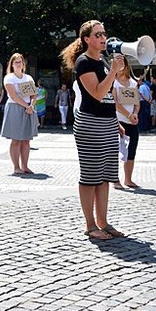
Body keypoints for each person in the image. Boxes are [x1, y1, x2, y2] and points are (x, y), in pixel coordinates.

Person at [63, 20, 125, 241]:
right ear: (87, 39)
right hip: (90, 122)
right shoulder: (84, 62)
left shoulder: (104, 62)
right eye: (97, 34)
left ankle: (103, 221)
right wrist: (114, 72)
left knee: (106, 176)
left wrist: (115, 121)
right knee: (91, 176)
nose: (102, 37)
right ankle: (90, 225)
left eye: (103, 33)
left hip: (106, 122)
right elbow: (97, 93)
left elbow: (108, 96)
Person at [1, 53, 38, 175]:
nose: (18, 64)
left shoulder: (28, 78)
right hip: (15, 107)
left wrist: (31, 105)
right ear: (12, 64)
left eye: (20, 62)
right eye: (16, 62)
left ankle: (25, 166)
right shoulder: (9, 78)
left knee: (26, 139)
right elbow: (13, 95)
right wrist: (26, 105)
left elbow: (34, 94)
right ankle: (16, 167)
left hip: (28, 108)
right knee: (16, 139)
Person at [113, 61, 140, 188]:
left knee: (131, 150)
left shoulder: (133, 83)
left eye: (122, 64)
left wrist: (134, 114)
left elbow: (136, 103)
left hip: (132, 121)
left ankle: (128, 179)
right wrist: (128, 115)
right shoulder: (113, 82)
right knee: (116, 151)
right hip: (118, 120)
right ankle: (115, 180)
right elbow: (115, 103)